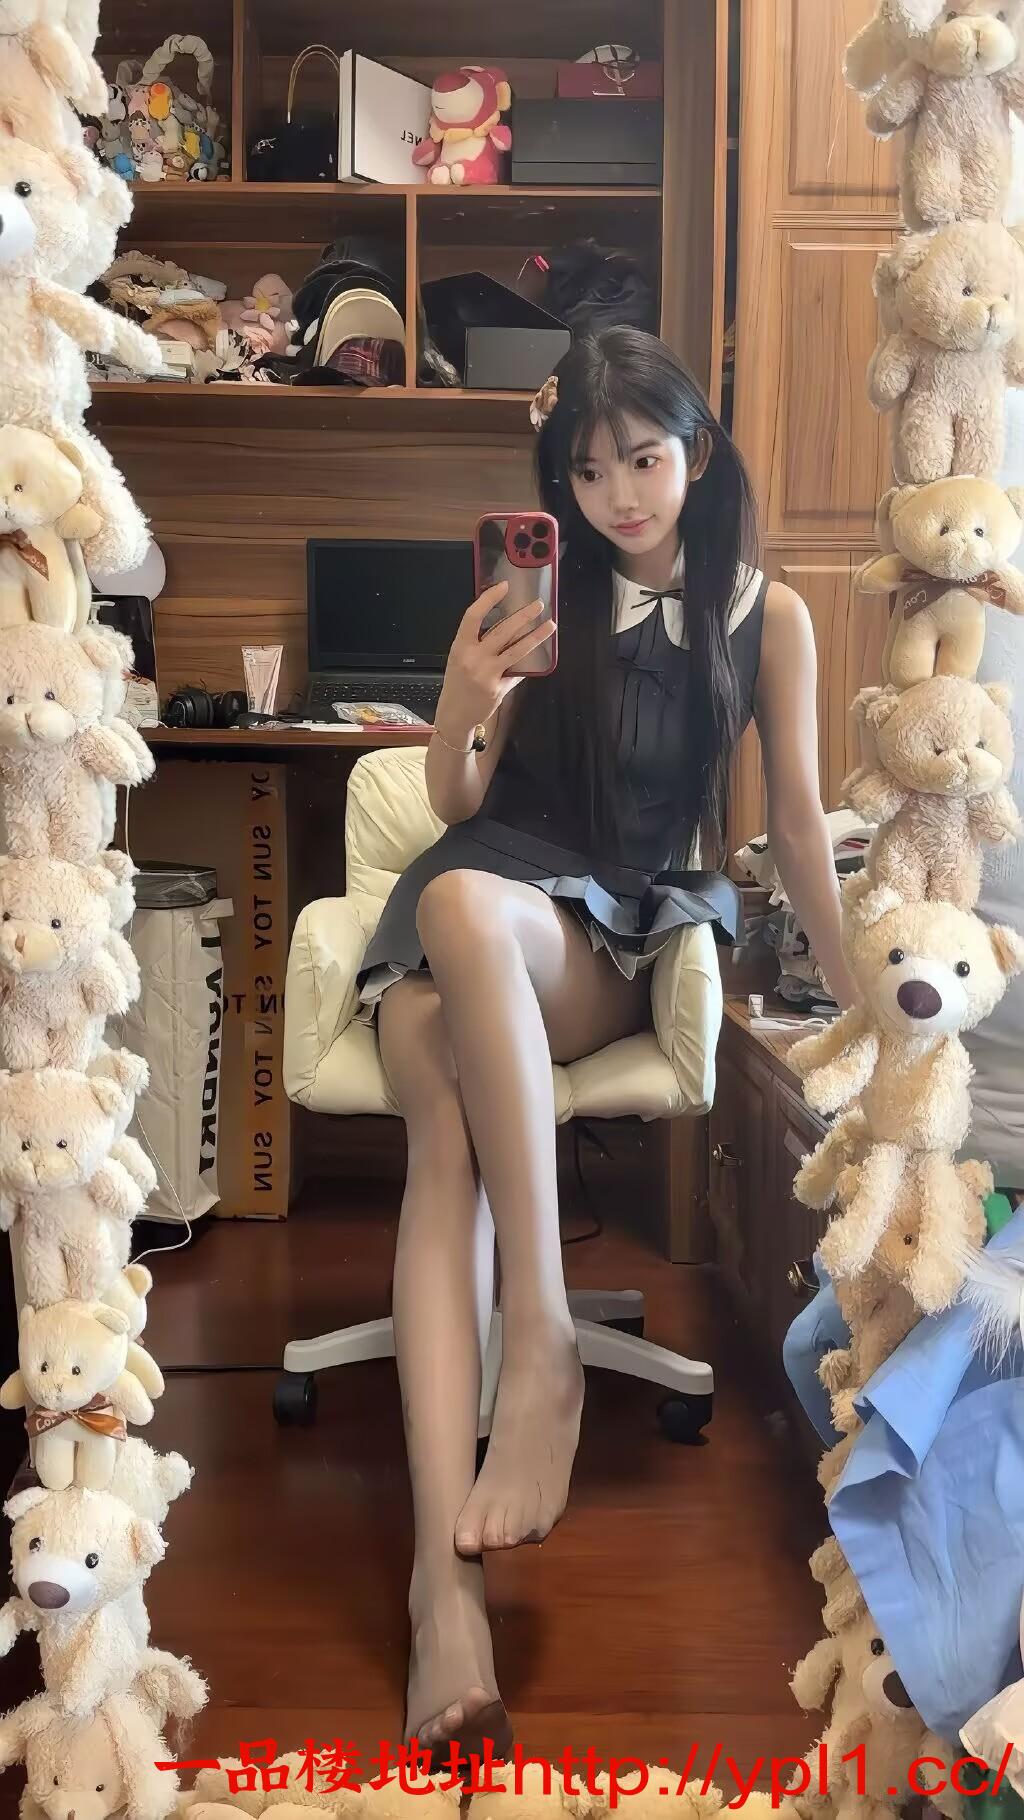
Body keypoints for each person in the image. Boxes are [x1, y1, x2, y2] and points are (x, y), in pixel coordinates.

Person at [354, 328, 855, 1766]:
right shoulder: (539, 595)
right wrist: (464, 700)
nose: (619, 495)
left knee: (463, 918)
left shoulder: (767, 615)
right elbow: (460, 803)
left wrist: (860, 1003)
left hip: (605, 934)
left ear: (696, 451)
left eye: (643, 458)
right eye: (586, 473)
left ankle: (541, 1340)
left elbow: (800, 827)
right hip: (476, 906)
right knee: (441, 1051)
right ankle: (445, 1591)